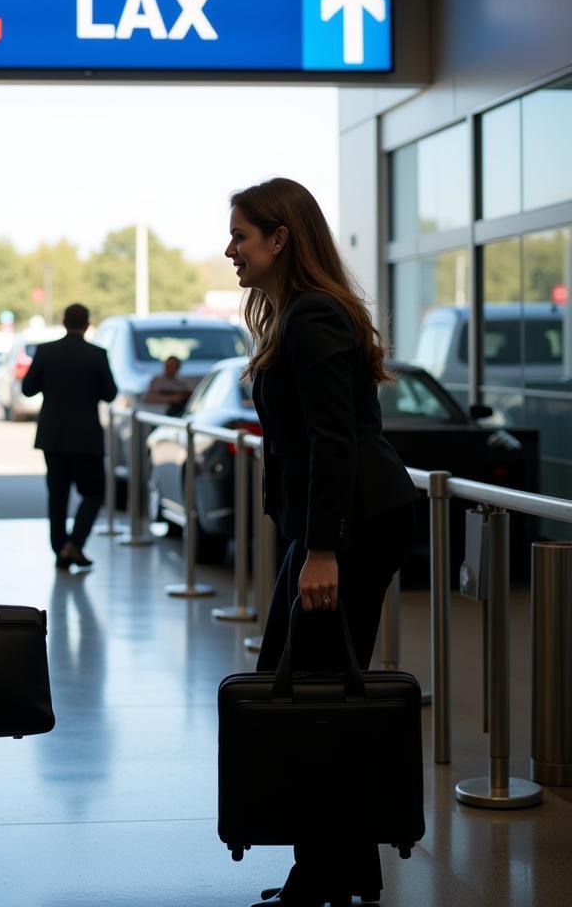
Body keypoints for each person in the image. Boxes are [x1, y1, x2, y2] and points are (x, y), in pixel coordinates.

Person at [225, 177, 418, 907]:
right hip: (343, 522)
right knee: (316, 685)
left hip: (352, 526)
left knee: (311, 692)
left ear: (280, 239)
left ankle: (325, 874)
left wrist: (324, 549)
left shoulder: (311, 319)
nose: (230, 249)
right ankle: (348, 867)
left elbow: (335, 442)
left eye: (241, 235)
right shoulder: (300, 315)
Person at [21, 303, 118, 570]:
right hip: (87, 438)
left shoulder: (45, 352)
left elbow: (28, 389)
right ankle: (74, 544)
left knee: (58, 495)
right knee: (94, 493)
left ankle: (60, 549)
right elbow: (110, 393)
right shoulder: (97, 355)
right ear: (87, 325)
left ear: (63, 322)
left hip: (53, 437)